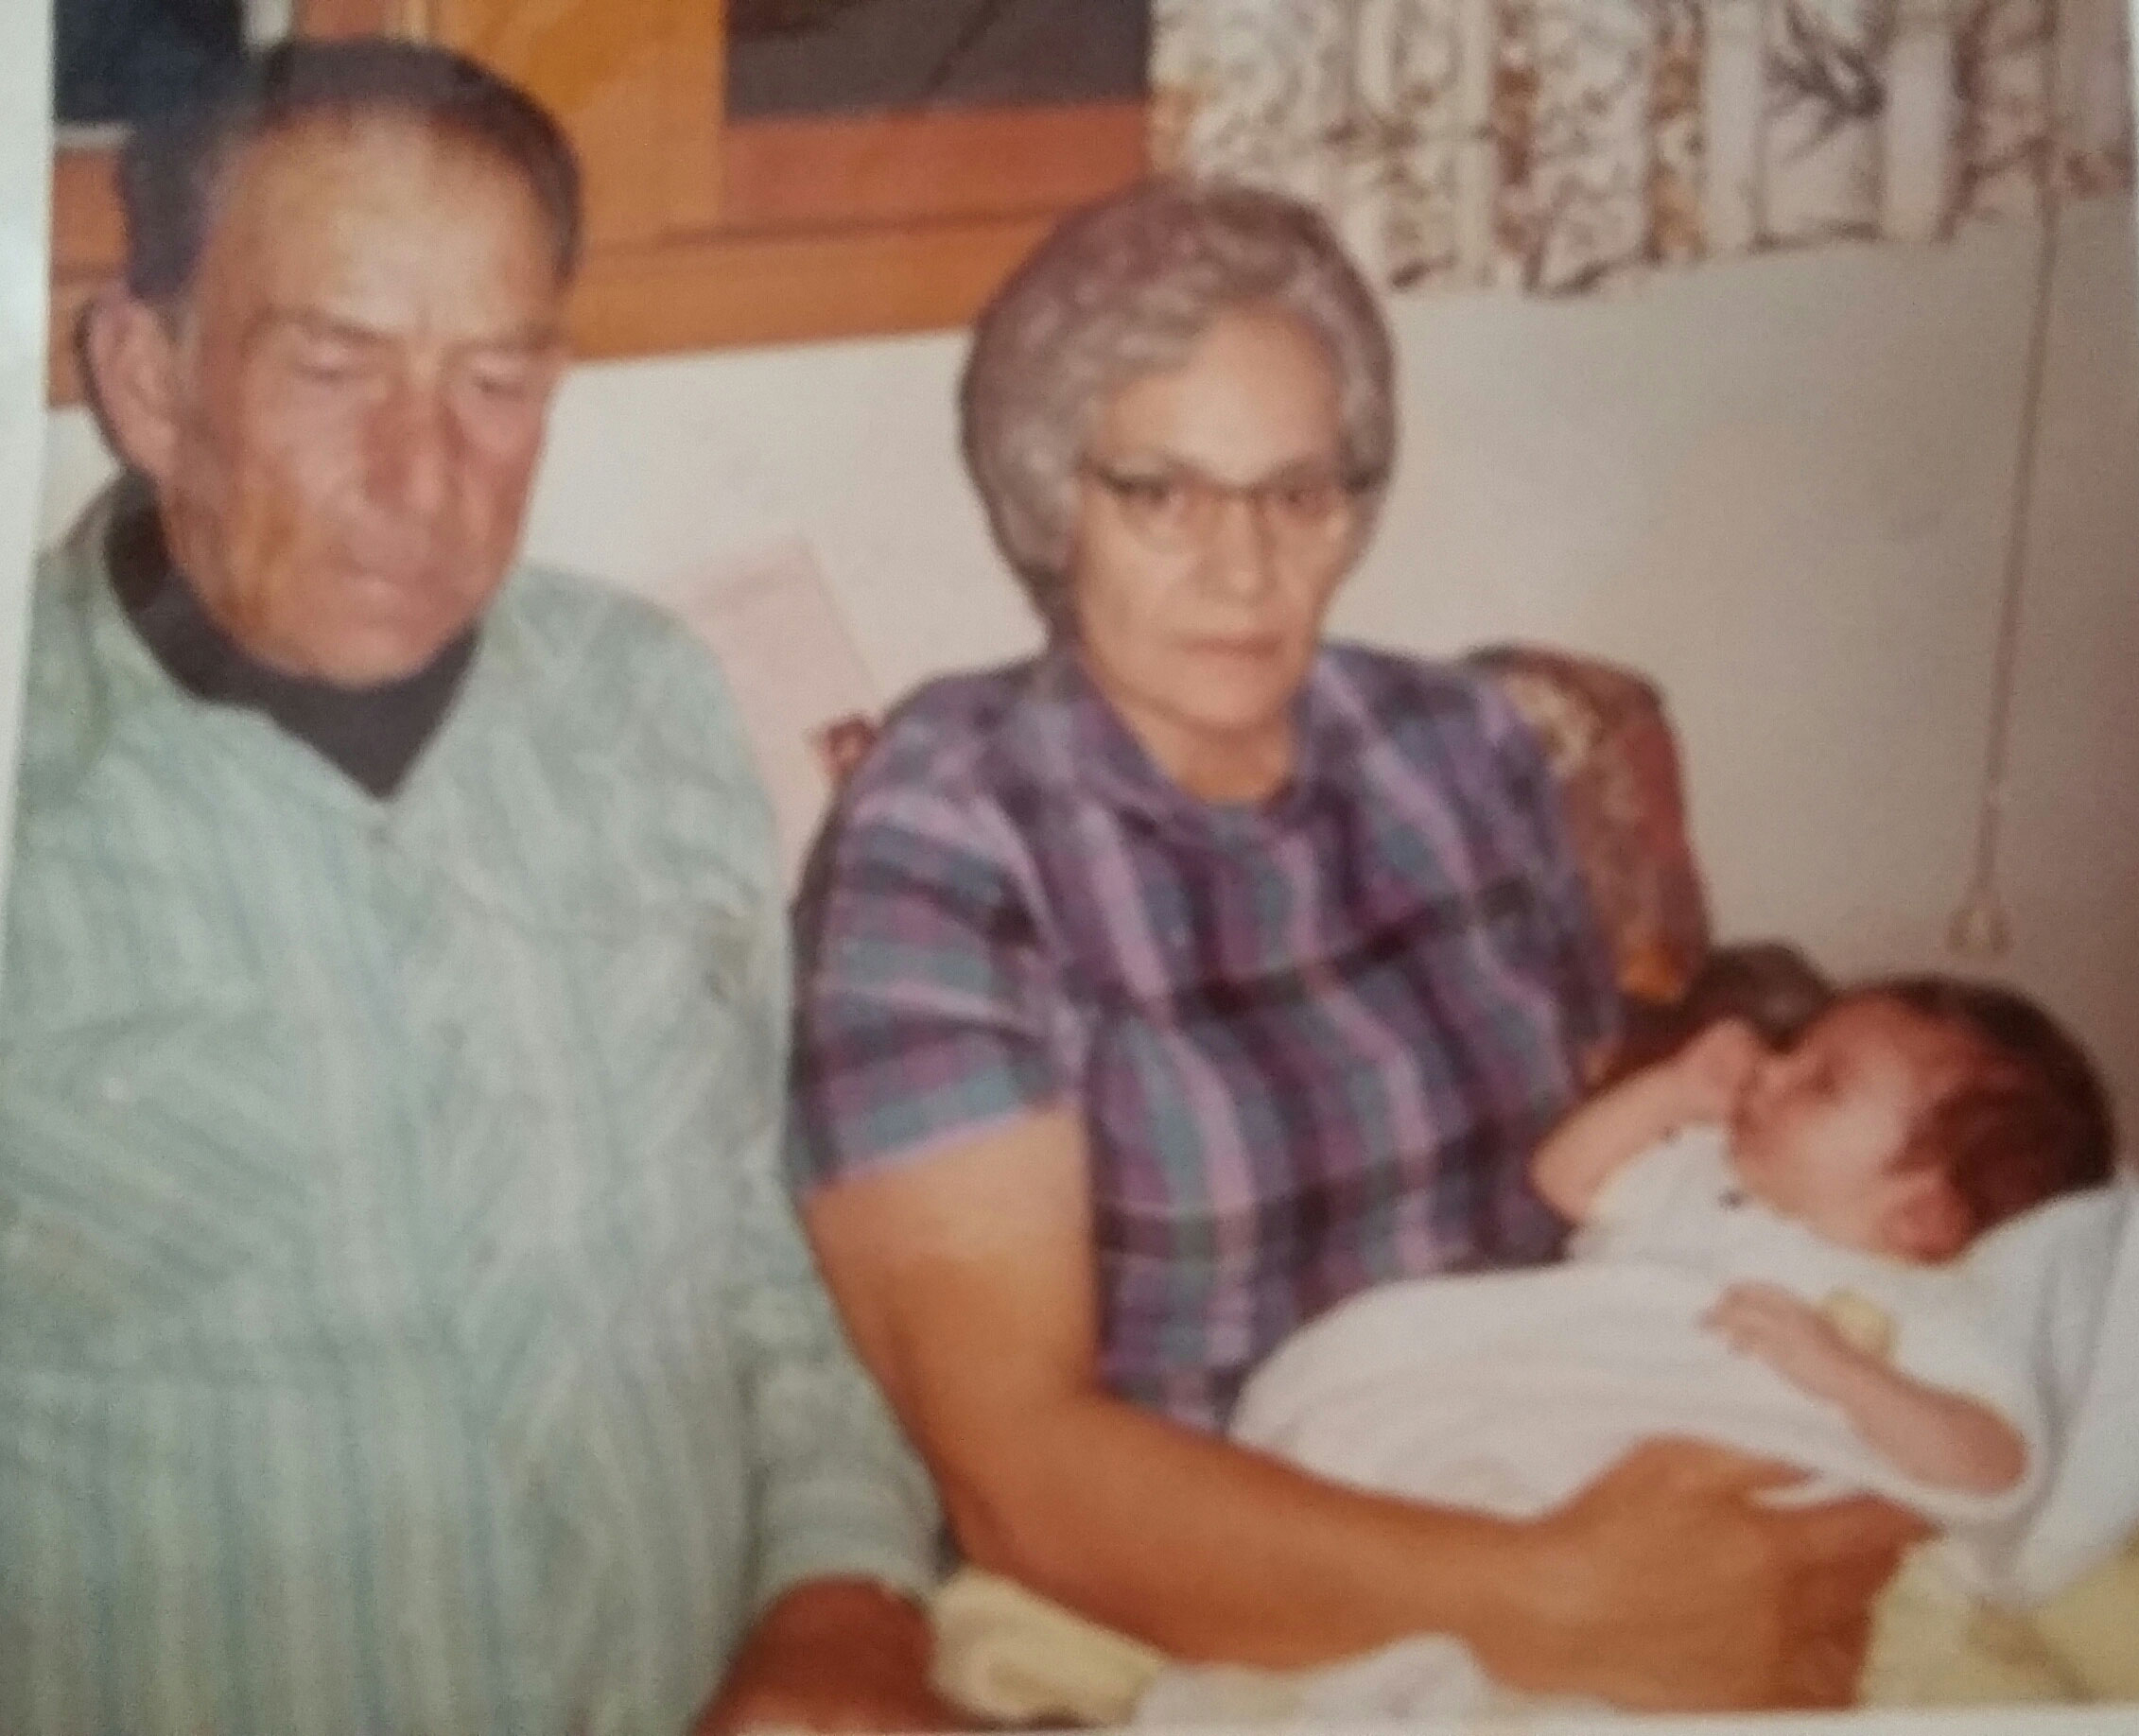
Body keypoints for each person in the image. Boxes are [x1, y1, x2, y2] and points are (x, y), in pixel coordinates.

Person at [787, 176, 1922, 1712]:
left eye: (1298, 493)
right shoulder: (953, 826)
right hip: (1220, 1594)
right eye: (1162, 493)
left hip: (1551, 1446)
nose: (1244, 569)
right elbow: (1017, 1474)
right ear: (1054, 498)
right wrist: (1554, 1604)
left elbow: (1595, 1171)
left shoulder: (1459, 746)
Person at [0, 40, 947, 1736]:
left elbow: (771, 1261)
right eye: (334, 370)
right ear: (147, 381)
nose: (427, 475)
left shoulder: (643, 705)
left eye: (496, 384)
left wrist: (843, 1604)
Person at [1239, 978, 2123, 1530]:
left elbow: (1992, 1463)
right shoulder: (1706, 1174)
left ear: (1919, 1216)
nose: (1771, 1072)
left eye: (1820, 1083)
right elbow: (1566, 1180)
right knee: (1402, 1433)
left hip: (1684, 1476)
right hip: (1555, 1394)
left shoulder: (1915, 1302)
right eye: (1790, 1051)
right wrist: (1672, 1091)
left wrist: (1843, 1374)